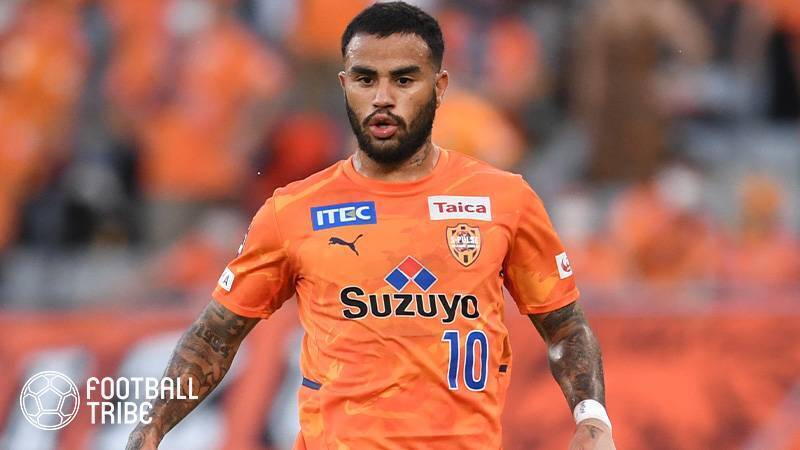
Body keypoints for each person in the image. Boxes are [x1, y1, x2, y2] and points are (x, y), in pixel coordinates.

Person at [126, 3, 615, 449]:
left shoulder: (503, 200)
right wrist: (151, 429)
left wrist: (591, 418)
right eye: (365, 79)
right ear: (344, 85)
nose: (382, 98)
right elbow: (216, 335)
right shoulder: (293, 210)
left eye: (403, 80)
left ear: (439, 87)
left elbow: (564, 325)